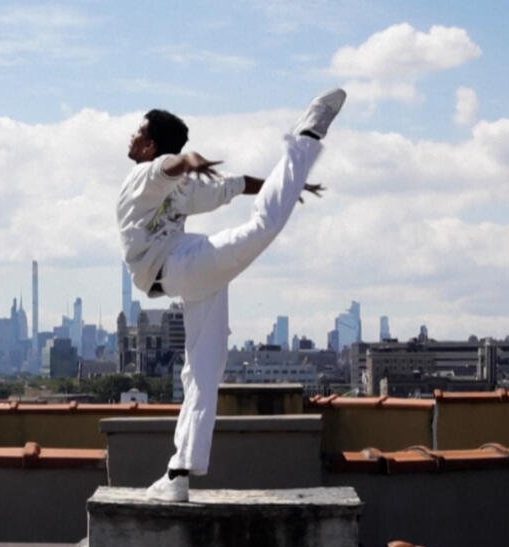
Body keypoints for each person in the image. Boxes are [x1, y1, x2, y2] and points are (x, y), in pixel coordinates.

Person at [116, 88, 346, 502]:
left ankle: (178, 474)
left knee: (204, 369)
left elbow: (232, 185)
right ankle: (306, 138)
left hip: (183, 268)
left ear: (149, 145)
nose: (131, 137)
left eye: (138, 132)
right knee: (260, 231)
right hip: (181, 268)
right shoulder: (152, 181)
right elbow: (182, 170)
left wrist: (284, 183)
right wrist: (282, 182)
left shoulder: (165, 180)